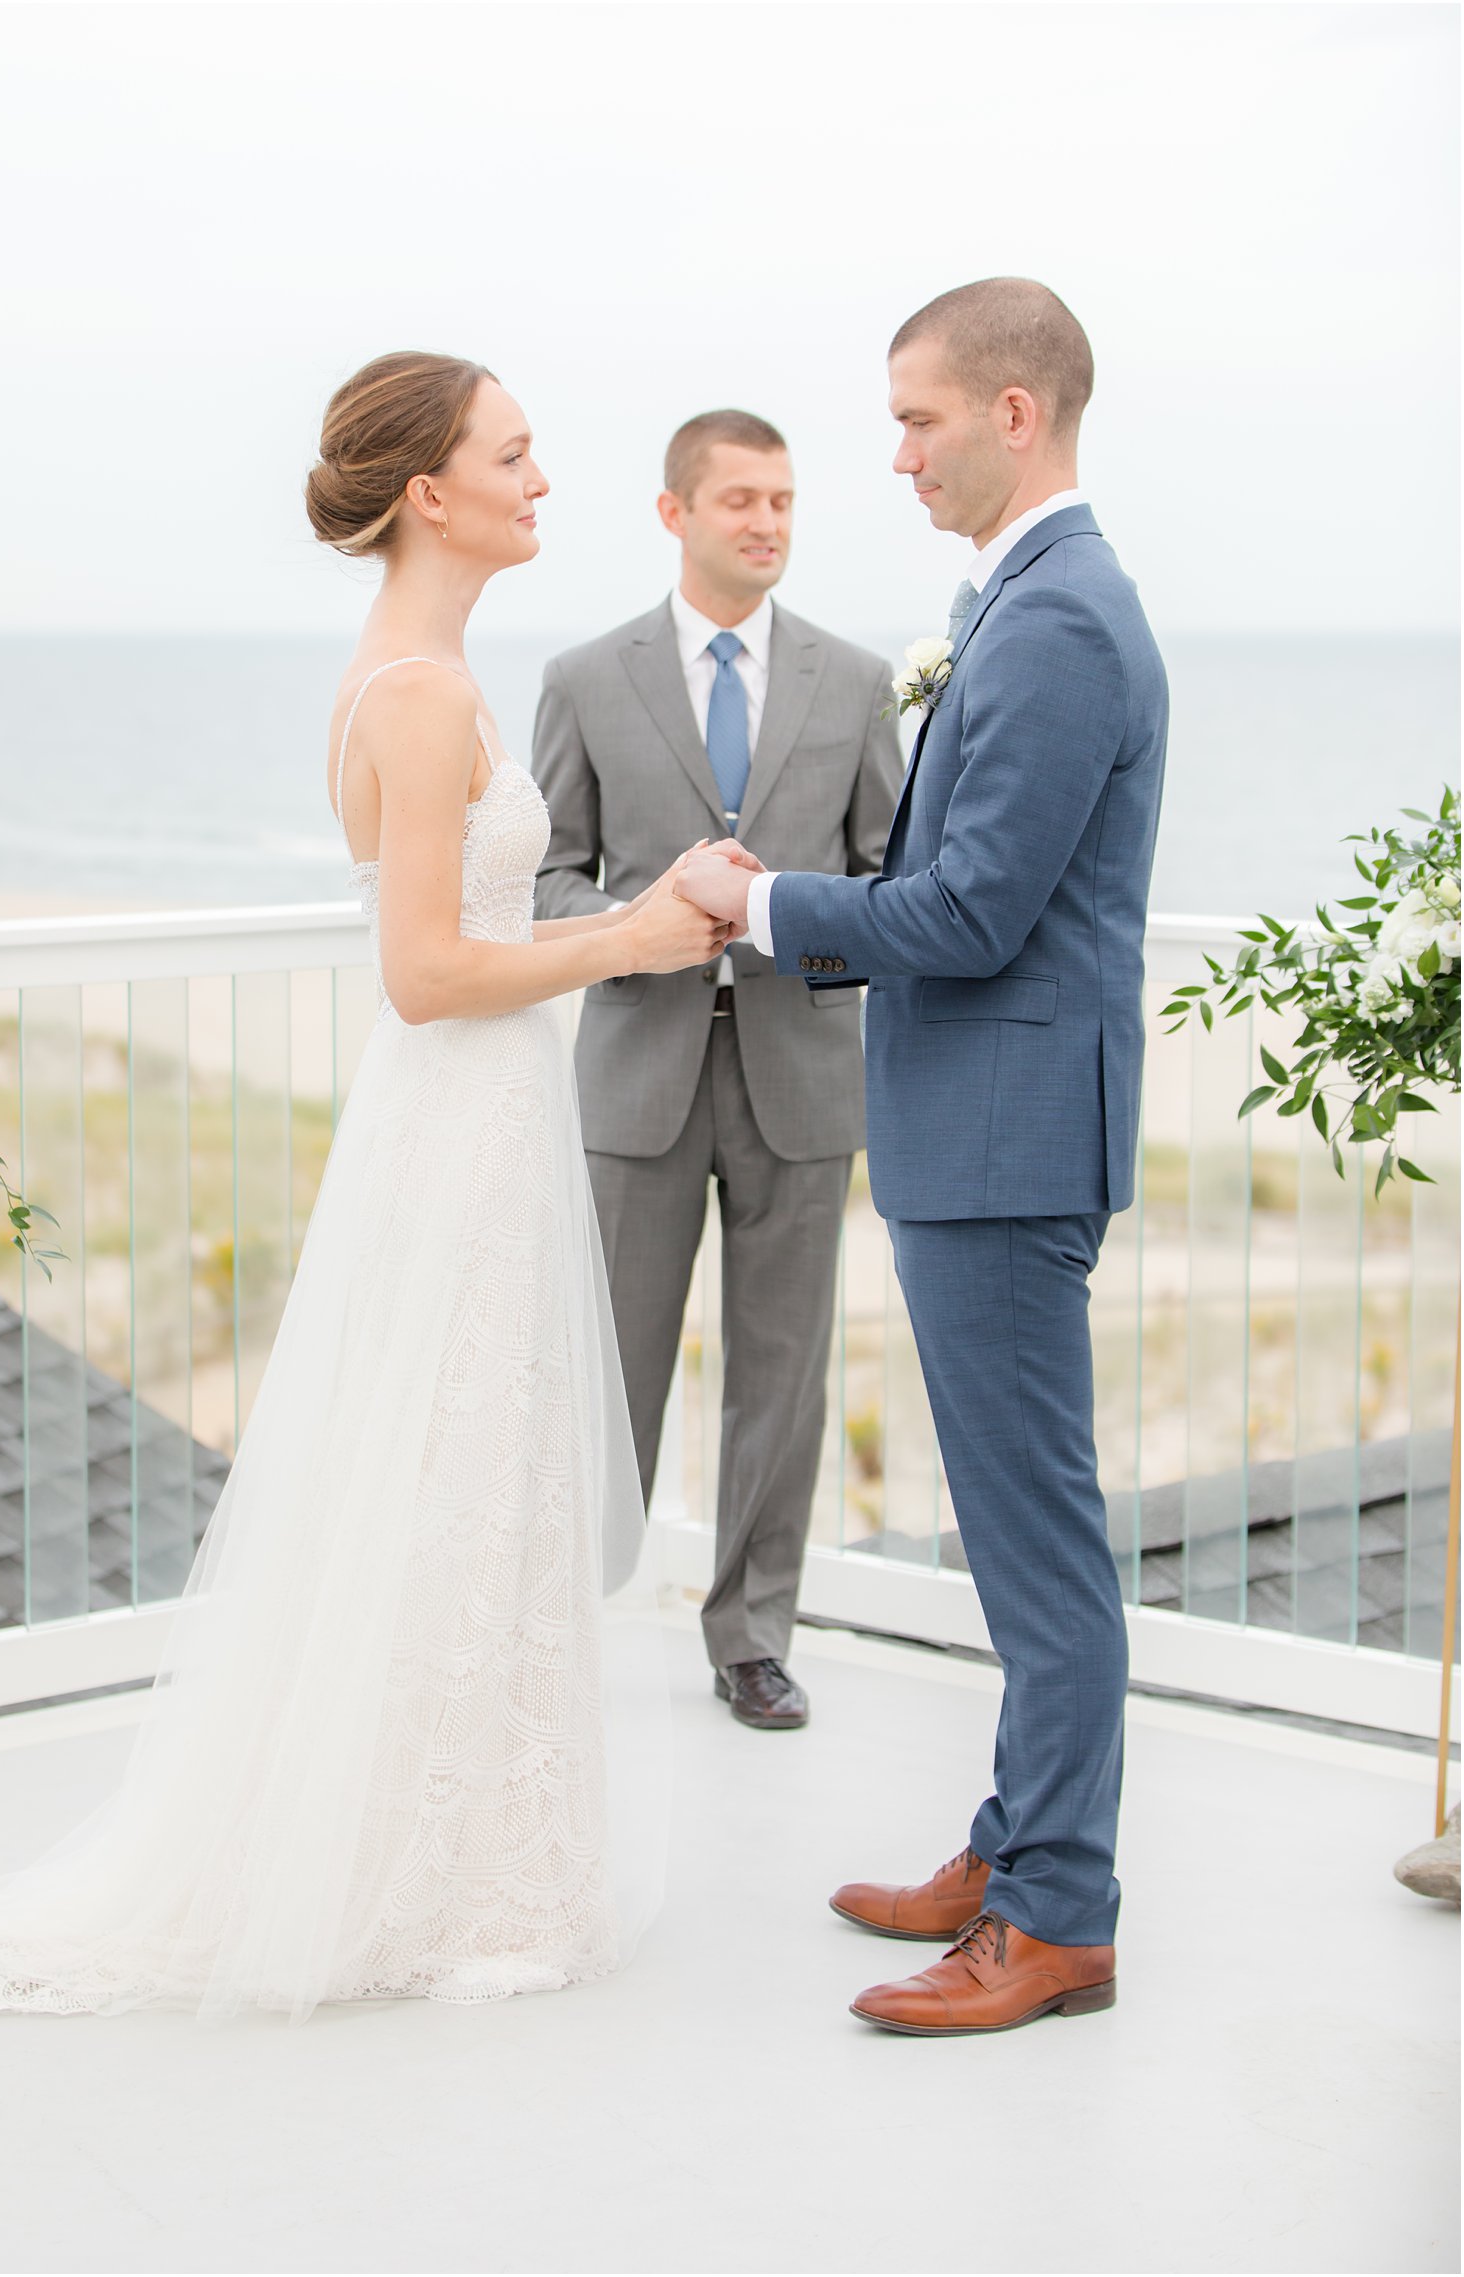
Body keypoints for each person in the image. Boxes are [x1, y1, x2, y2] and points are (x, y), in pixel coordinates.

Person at [0, 352, 730, 2021]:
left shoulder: (423, 670)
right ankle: (442, 1883)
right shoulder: (422, 694)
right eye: (515, 458)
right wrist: (638, 933)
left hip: (478, 1119)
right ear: (430, 493)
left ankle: (473, 1863)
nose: (542, 483)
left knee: (477, 1477)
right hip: (459, 1109)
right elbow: (431, 971)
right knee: (455, 1474)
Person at [678, 280, 1170, 2032]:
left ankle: (1057, 1916)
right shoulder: (1034, 603)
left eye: (919, 419)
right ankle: (1016, 1842)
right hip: (989, 1130)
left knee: (1036, 1540)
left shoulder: (1055, 625)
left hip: (1008, 1139)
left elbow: (967, 910)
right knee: (1017, 1521)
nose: (893, 455)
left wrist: (763, 904)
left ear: (1015, 413)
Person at [530, 410, 902, 1730]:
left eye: (785, 500)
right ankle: (565, 1620)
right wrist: (657, 908)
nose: (767, 522)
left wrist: (786, 911)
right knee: (605, 1362)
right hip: (639, 1069)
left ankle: (751, 1635)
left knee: (782, 1370)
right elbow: (545, 875)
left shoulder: (856, 683)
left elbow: (886, 887)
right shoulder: (585, 677)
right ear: (674, 512)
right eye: (739, 498)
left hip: (801, 1073)